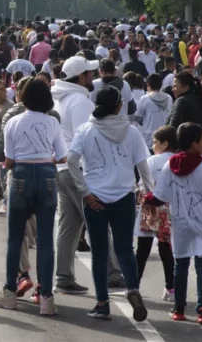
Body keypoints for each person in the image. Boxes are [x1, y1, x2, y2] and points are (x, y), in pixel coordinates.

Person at [67, 85, 150, 322]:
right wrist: (148, 192)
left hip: (95, 197)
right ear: (118, 105)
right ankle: (132, 288)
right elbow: (143, 166)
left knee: (100, 252)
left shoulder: (85, 129)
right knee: (125, 248)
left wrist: (84, 191)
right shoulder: (131, 131)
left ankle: (102, 303)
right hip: (124, 195)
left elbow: (72, 161)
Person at [0, 79, 67, 315]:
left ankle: (10, 293)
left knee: (14, 238)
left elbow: (8, 159)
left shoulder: (13, 121)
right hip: (46, 174)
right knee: (45, 241)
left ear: (23, 97)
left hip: (21, 174)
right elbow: (62, 156)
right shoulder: (52, 121)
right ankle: (46, 297)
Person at [144, 123, 202, 325]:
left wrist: (146, 198)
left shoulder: (169, 166)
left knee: (180, 264)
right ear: (194, 144)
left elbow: (159, 196)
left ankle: (179, 308)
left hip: (181, 223)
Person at [50, 56, 98, 295]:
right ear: (81, 77)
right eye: (90, 73)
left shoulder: (62, 97)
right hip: (76, 169)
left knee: (68, 227)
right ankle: (113, 273)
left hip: (62, 168)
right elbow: (86, 138)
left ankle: (64, 277)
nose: (93, 76)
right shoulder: (79, 100)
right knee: (98, 222)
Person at [135, 125, 176, 303]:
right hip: (170, 208)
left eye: (155, 142)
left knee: (142, 249)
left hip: (151, 207)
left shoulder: (152, 161)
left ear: (165, 144)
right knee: (166, 249)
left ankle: (134, 285)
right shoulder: (177, 160)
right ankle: (171, 287)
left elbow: (142, 184)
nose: (153, 146)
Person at [168, 72, 202, 151]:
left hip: (187, 151)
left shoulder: (181, 101)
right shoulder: (199, 99)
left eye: (175, 86)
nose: (172, 89)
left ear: (185, 87)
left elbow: (174, 124)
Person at [133, 74, 173, 148]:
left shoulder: (144, 99)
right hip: (166, 136)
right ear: (161, 84)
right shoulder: (169, 98)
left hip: (150, 137)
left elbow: (137, 118)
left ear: (148, 85)